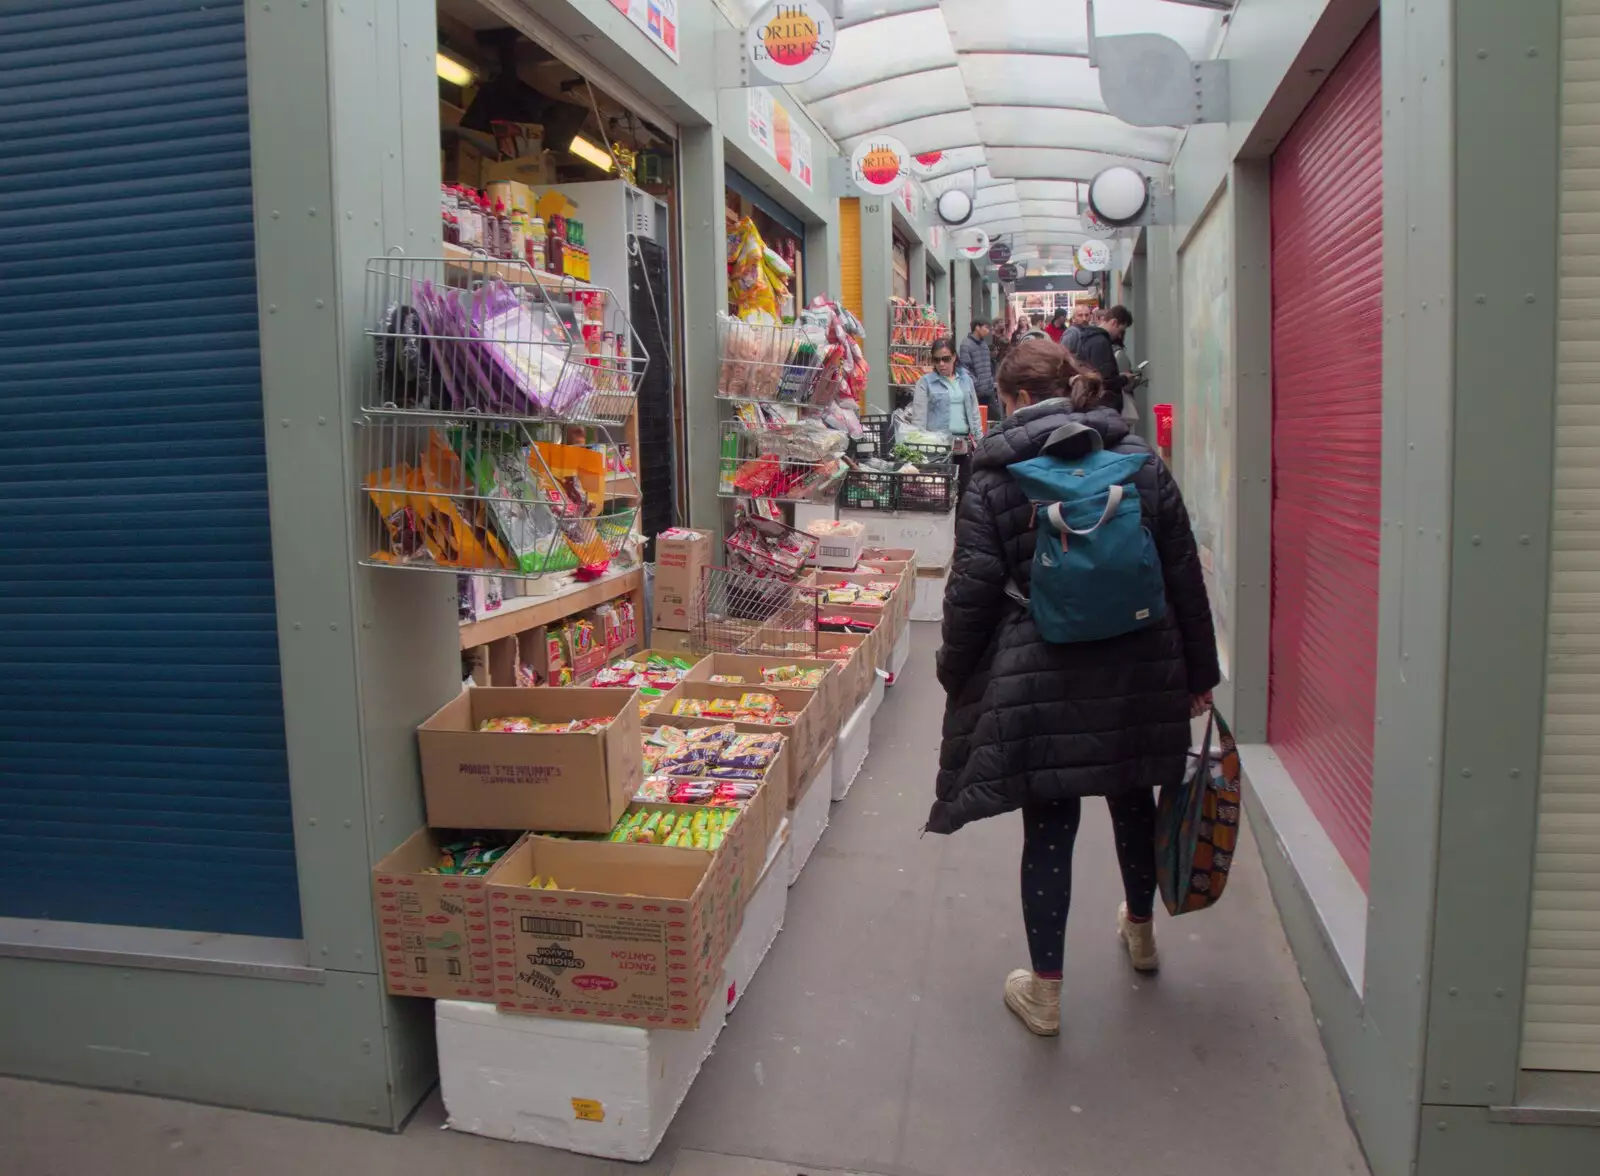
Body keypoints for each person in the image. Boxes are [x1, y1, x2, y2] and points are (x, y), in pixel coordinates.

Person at [926, 338, 1220, 1037]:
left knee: (1051, 827)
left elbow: (969, 593)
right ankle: (1141, 933)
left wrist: (954, 669)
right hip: (1139, 665)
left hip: (1042, 672)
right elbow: (1183, 573)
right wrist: (1200, 675)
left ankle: (1047, 993)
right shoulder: (1140, 461)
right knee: (1133, 803)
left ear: (1017, 400)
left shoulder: (996, 476)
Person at [907, 337, 982, 499]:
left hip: (963, 446)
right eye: (937, 360)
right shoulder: (925, 383)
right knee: (941, 495)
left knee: (965, 493)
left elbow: (974, 412)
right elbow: (918, 419)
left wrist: (979, 441)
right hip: (938, 450)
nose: (941, 364)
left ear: (954, 357)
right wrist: (918, 450)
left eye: (946, 359)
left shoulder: (966, 380)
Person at [1072, 304, 1132, 411]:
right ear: (1114, 322)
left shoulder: (1088, 338)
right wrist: (1124, 379)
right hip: (1104, 406)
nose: (1120, 336)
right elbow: (1105, 380)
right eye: (1121, 331)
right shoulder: (1101, 342)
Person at [957, 318, 997, 421]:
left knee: (992, 419)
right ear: (977, 327)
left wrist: (990, 381)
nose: (988, 331)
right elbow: (965, 368)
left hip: (988, 389)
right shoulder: (966, 344)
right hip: (976, 391)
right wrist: (976, 383)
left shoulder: (984, 344)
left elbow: (987, 366)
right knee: (977, 420)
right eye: (986, 327)